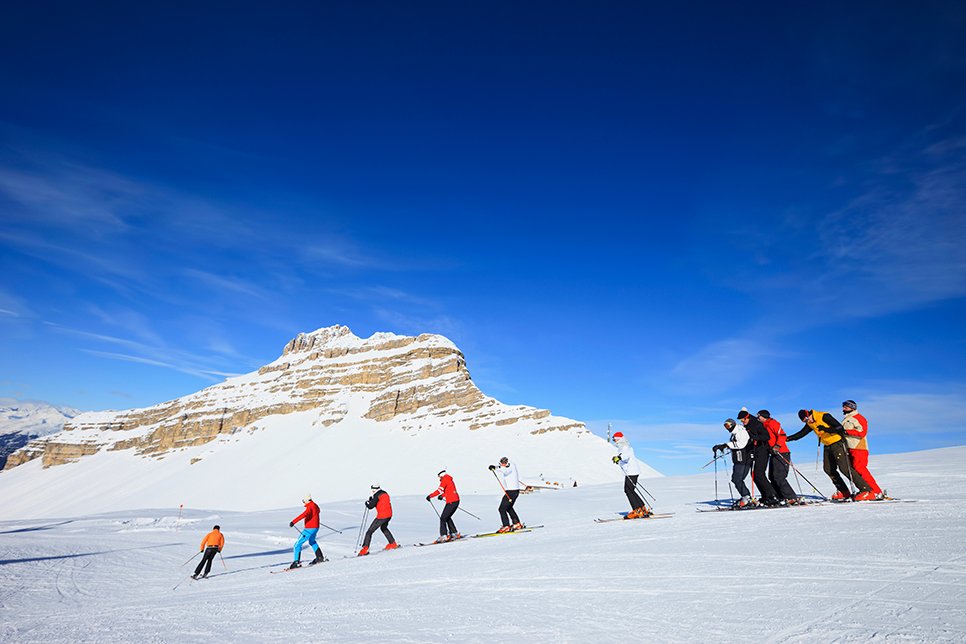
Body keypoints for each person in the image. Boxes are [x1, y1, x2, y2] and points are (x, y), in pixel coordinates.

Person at [787, 409, 874, 501]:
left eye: (806, 419)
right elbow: (801, 434)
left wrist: (826, 429)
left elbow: (839, 427)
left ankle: (866, 490)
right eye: (804, 421)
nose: (807, 421)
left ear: (809, 414)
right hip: (827, 446)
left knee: (845, 468)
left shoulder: (824, 416)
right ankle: (844, 492)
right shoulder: (810, 423)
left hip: (837, 443)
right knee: (828, 469)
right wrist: (787, 438)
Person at [841, 399, 883, 499]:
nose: (843, 408)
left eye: (846, 406)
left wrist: (846, 432)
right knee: (853, 471)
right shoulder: (846, 419)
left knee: (860, 469)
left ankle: (876, 491)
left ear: (852, 408)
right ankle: (864, 490)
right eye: (843, 406)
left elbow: (862, 432)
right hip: (849, 447)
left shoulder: (859, 418)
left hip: (859, 447)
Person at [737, 410, 781, 506]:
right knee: (754, 475)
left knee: (759, 474)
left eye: (742, 420)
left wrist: (754, 437)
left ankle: (773, 496)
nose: (742, 422)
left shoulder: (756, 424)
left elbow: (766, 436)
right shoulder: (748, 426)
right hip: (755, 452)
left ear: (747, 417)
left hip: (763, 451)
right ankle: (766, 496)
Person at [757, 410, 800, 504]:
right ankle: (780, 496)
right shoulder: (764, 425)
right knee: (772, 476)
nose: (758, 418)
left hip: (782, 452)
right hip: (773, 453)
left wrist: (777, 446)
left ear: (764, 416)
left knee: (779, 476)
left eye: (759, 416)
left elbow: (782, 435)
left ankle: (791, 497)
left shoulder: (773, 423)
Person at [713, 418, 753, 507]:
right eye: (725, 426)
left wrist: (726, 445)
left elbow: (741, 444)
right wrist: (722, 447)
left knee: (737, 479)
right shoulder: (735, 433)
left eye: (727, 425)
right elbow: (735, 444)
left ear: (732, 424)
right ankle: (746, 496)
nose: (727, 428)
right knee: (737, 479)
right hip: (739, 459)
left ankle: (746, 497)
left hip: (743, 459)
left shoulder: (741, 431)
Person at [611, 431, 649, 519]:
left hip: (631, 472)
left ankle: (637, 510)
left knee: (628, 491)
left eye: (615, 440)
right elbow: (625, 458)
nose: (614, 441)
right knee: (631, 490)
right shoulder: (624, 447)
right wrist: (618, 460)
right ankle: (642, 508)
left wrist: (619, 458)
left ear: (619, 439)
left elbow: (626, 456)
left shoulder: (625, 447)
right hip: (631, 472)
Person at [359, 484, 399, 556]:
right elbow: (379, 502)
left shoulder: (376, 495)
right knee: (384, 528)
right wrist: (372, 500)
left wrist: (367, 503)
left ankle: (365, 549)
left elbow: (370, 506)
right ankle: (393, 543)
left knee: (369, 532)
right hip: (389, 515)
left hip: (382, 516)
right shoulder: (384, 493)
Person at [289, 493, 325, 569]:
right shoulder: (315, 505)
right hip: (315, 528)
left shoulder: (310, 507)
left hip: (309, 529)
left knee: (297, 544)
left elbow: (304, 514)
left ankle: (296, 562)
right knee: (312, 541)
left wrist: (293, 522)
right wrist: (313, 519)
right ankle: (320, 557)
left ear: (307, 500)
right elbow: (316, 512)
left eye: (303, 501)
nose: (303, 503)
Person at [488, 456, 524, 532]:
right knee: (509, 507)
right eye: (501, 463)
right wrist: (495, 467)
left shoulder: (510, 467)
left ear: (507, 462)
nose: (503, 465)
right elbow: (502, 468)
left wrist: (496, 468)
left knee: (501, 509)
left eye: (504, 463)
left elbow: (505, 471)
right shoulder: (508, 465)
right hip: (514, 491)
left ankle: (506, 526)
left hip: (511, 491)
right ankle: (517, 523)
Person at [426, 469, 461, 542]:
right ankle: (454, 533)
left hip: (451, 501)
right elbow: (450, 490)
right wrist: (443, 496)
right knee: (447, 517)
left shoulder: (445, 480)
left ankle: (444, 536)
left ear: (441, 475)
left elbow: (439, 490)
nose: (439, 479)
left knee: (443, 518)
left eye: (439, 477)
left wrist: (430, 496)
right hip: (455, 501)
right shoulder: (449, 479)